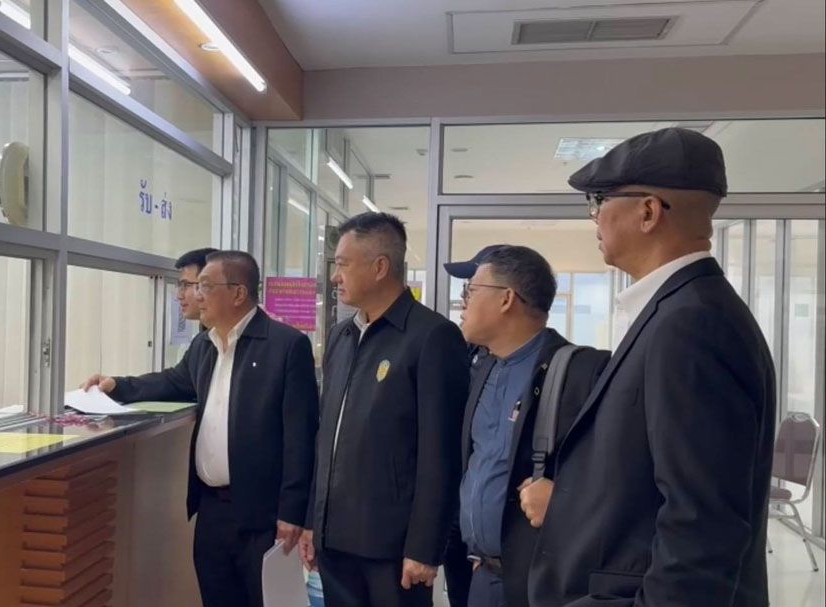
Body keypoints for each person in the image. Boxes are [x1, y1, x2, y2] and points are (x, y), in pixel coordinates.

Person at [524, 128, 776, 606]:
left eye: (600, 201)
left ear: (648, 212)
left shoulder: (691, 324)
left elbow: (701, 527)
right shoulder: (677, 310)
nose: (595, 216)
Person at [81, 250, 319, 607]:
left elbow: (301, 437)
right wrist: (117, 386)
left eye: (206, 286)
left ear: (238, 293)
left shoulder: (285, 346)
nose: (197, 295)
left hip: (263, 514)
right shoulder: (204, 346)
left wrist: (293, 512)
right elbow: (171, 382)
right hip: (211, 510)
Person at [300, 212, 470, 607]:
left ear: (380, 267)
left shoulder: (432, 337)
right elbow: (327, 437)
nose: (335, 277)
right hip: (334, 539)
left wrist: (425, 546)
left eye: (343, 264)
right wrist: (312, 522)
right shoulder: (342, 336)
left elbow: (441, 454)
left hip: (392, 547)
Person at [441, 245, 609, 607]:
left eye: (470, 291)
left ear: (506, 299)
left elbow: (618, 477)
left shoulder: (581, 374)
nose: (462, 303)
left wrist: (563, 498)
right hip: (481, 575)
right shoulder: (481, 368)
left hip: (542, 584)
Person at [175, 247, 218, 327]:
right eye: (180, 285)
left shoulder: (236, 332)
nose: (179, 296)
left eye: (186, 285)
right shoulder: (206, 332)